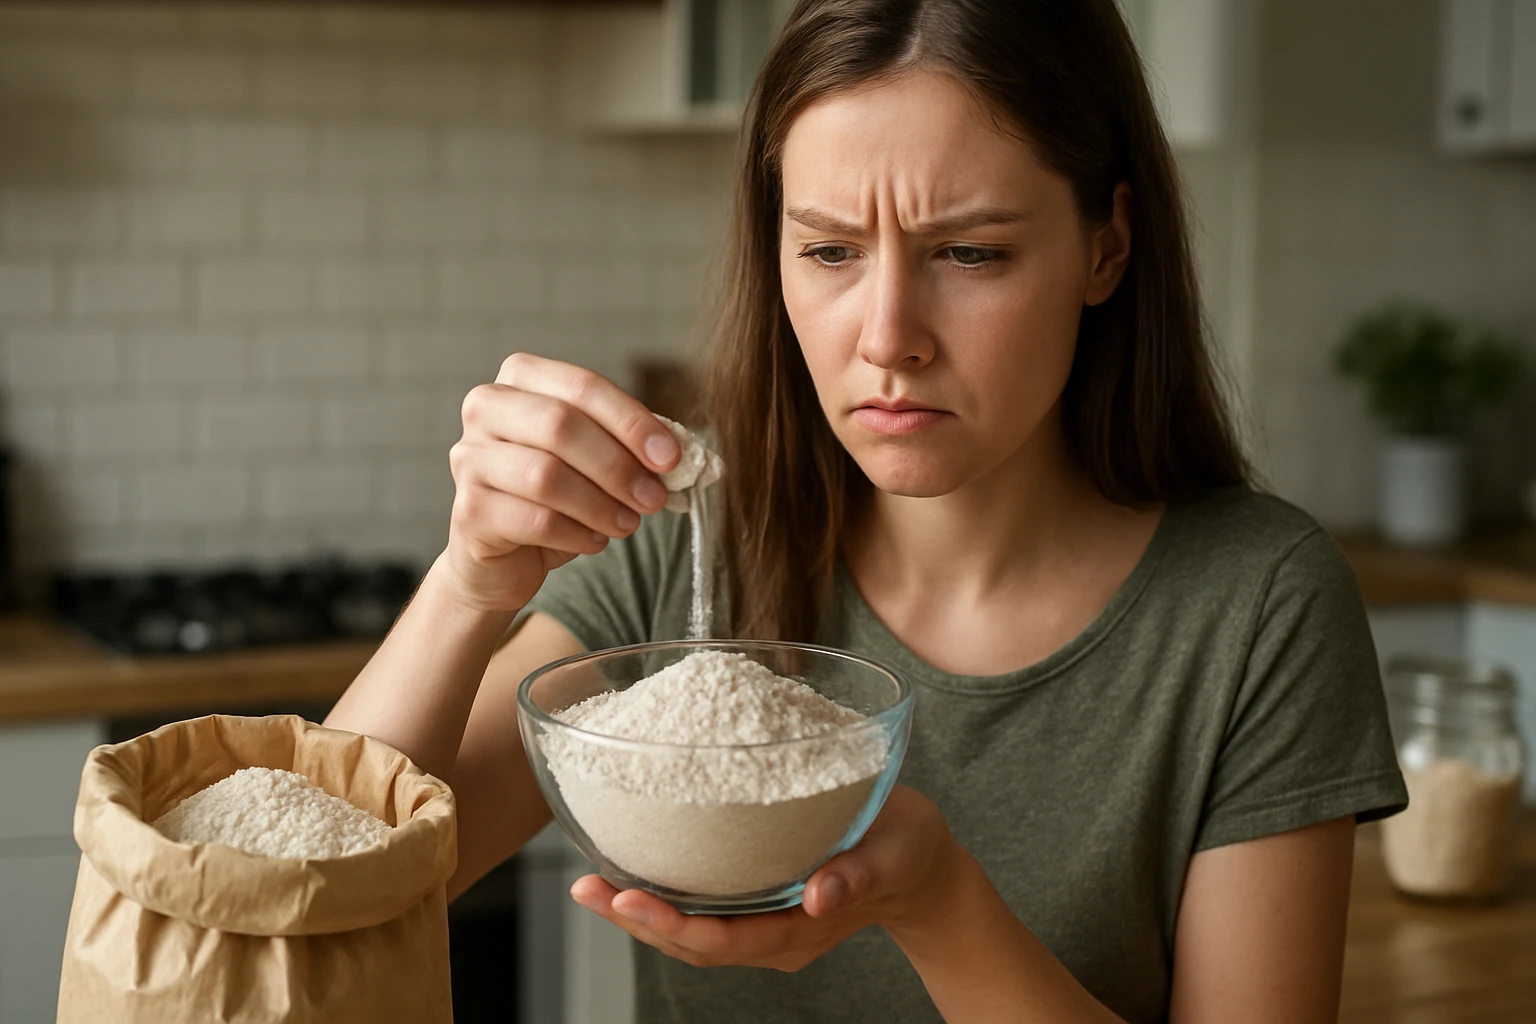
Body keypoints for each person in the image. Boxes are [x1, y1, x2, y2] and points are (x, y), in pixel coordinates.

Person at [326, 1, 1407, 1020]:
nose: (889, 335)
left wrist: (939, 907)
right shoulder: (686, 548)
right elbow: (314, 899)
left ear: (1106, 247)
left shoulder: (1258, 607)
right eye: (830, 250)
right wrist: (471, 578)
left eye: (971, 252)